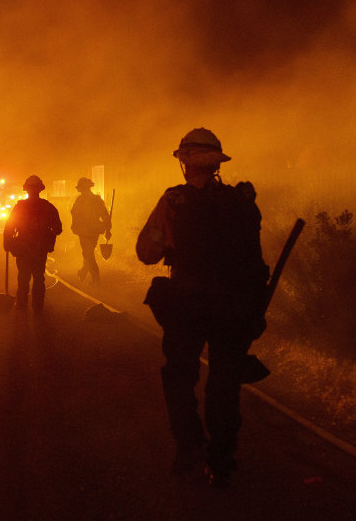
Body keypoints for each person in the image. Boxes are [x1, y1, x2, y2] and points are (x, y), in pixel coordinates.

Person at [136, 128, 271, 486]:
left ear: (185, 162)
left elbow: (145, 253)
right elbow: (254, 258)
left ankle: (189, 445)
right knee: (225, 384)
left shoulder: (174, 201)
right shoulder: (242, 201)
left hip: (187, 305)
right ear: (216, 164)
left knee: (179, 378)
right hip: (233, 308)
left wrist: (169, 245)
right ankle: (222, 457)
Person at [3, 175, 63, 312]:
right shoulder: (48, 207)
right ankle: (37, 306)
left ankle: (22, 305)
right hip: (40, 248)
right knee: (38, 277)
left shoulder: (20, 207)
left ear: (27, 190)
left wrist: (7, 243)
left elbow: (9, 227)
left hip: (23, 248)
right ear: (39, 190)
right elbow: (58, 229)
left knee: (23, 277)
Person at [70, 177, 112, 284]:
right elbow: (105, 216)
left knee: (88, 254)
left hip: (85, 232)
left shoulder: (80, 200)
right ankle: (84, 272)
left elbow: (74, 213)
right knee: (88, 253)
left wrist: (108, 229)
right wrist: (108, 229)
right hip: (93, 231)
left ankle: (95, 278)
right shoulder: (97, 200)